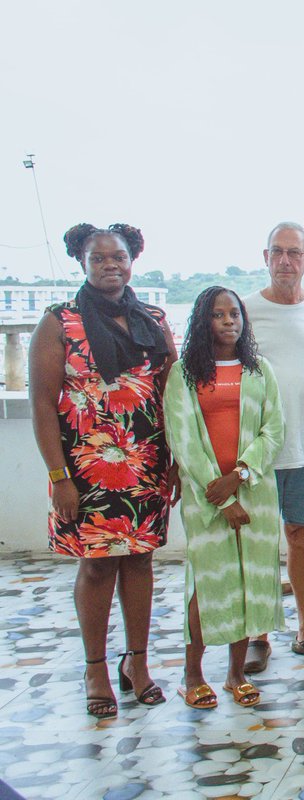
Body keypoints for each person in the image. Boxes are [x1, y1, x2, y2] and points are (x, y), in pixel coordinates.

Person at [29, 222, 176, 718]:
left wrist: (175, 464)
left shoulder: (153, 319)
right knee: (95, 567)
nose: (110, 265)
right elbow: (43, 405)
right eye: (99, 258)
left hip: (146, 466)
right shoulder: (59, 322)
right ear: (83, 262)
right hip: (85, 471)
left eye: (118, 257)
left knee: (139, 562)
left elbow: (173, 400)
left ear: (132, 260)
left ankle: (137, 662)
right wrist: (58, 477)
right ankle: (95, 667)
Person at [164, 287, 285, 709]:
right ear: (203, 322)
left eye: (235, 313)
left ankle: (236, 674)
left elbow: (274, 431)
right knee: (209, 583)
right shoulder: (184, 373)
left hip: (255, 492)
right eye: (219, 314)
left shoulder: (258, 369)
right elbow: (184, 441)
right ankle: (192, 674)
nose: (229, 321)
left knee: (249, 583)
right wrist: (220, 494)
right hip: (206, 496)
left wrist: (240, 475)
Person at [241, 222, 304, 672]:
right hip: (255, 452)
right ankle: (257, 633)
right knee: (259, 543)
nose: (285, 260)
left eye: (294, 253)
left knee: (302, 539)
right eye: (277, 252)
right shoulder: (243, 311)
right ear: (265, 258)